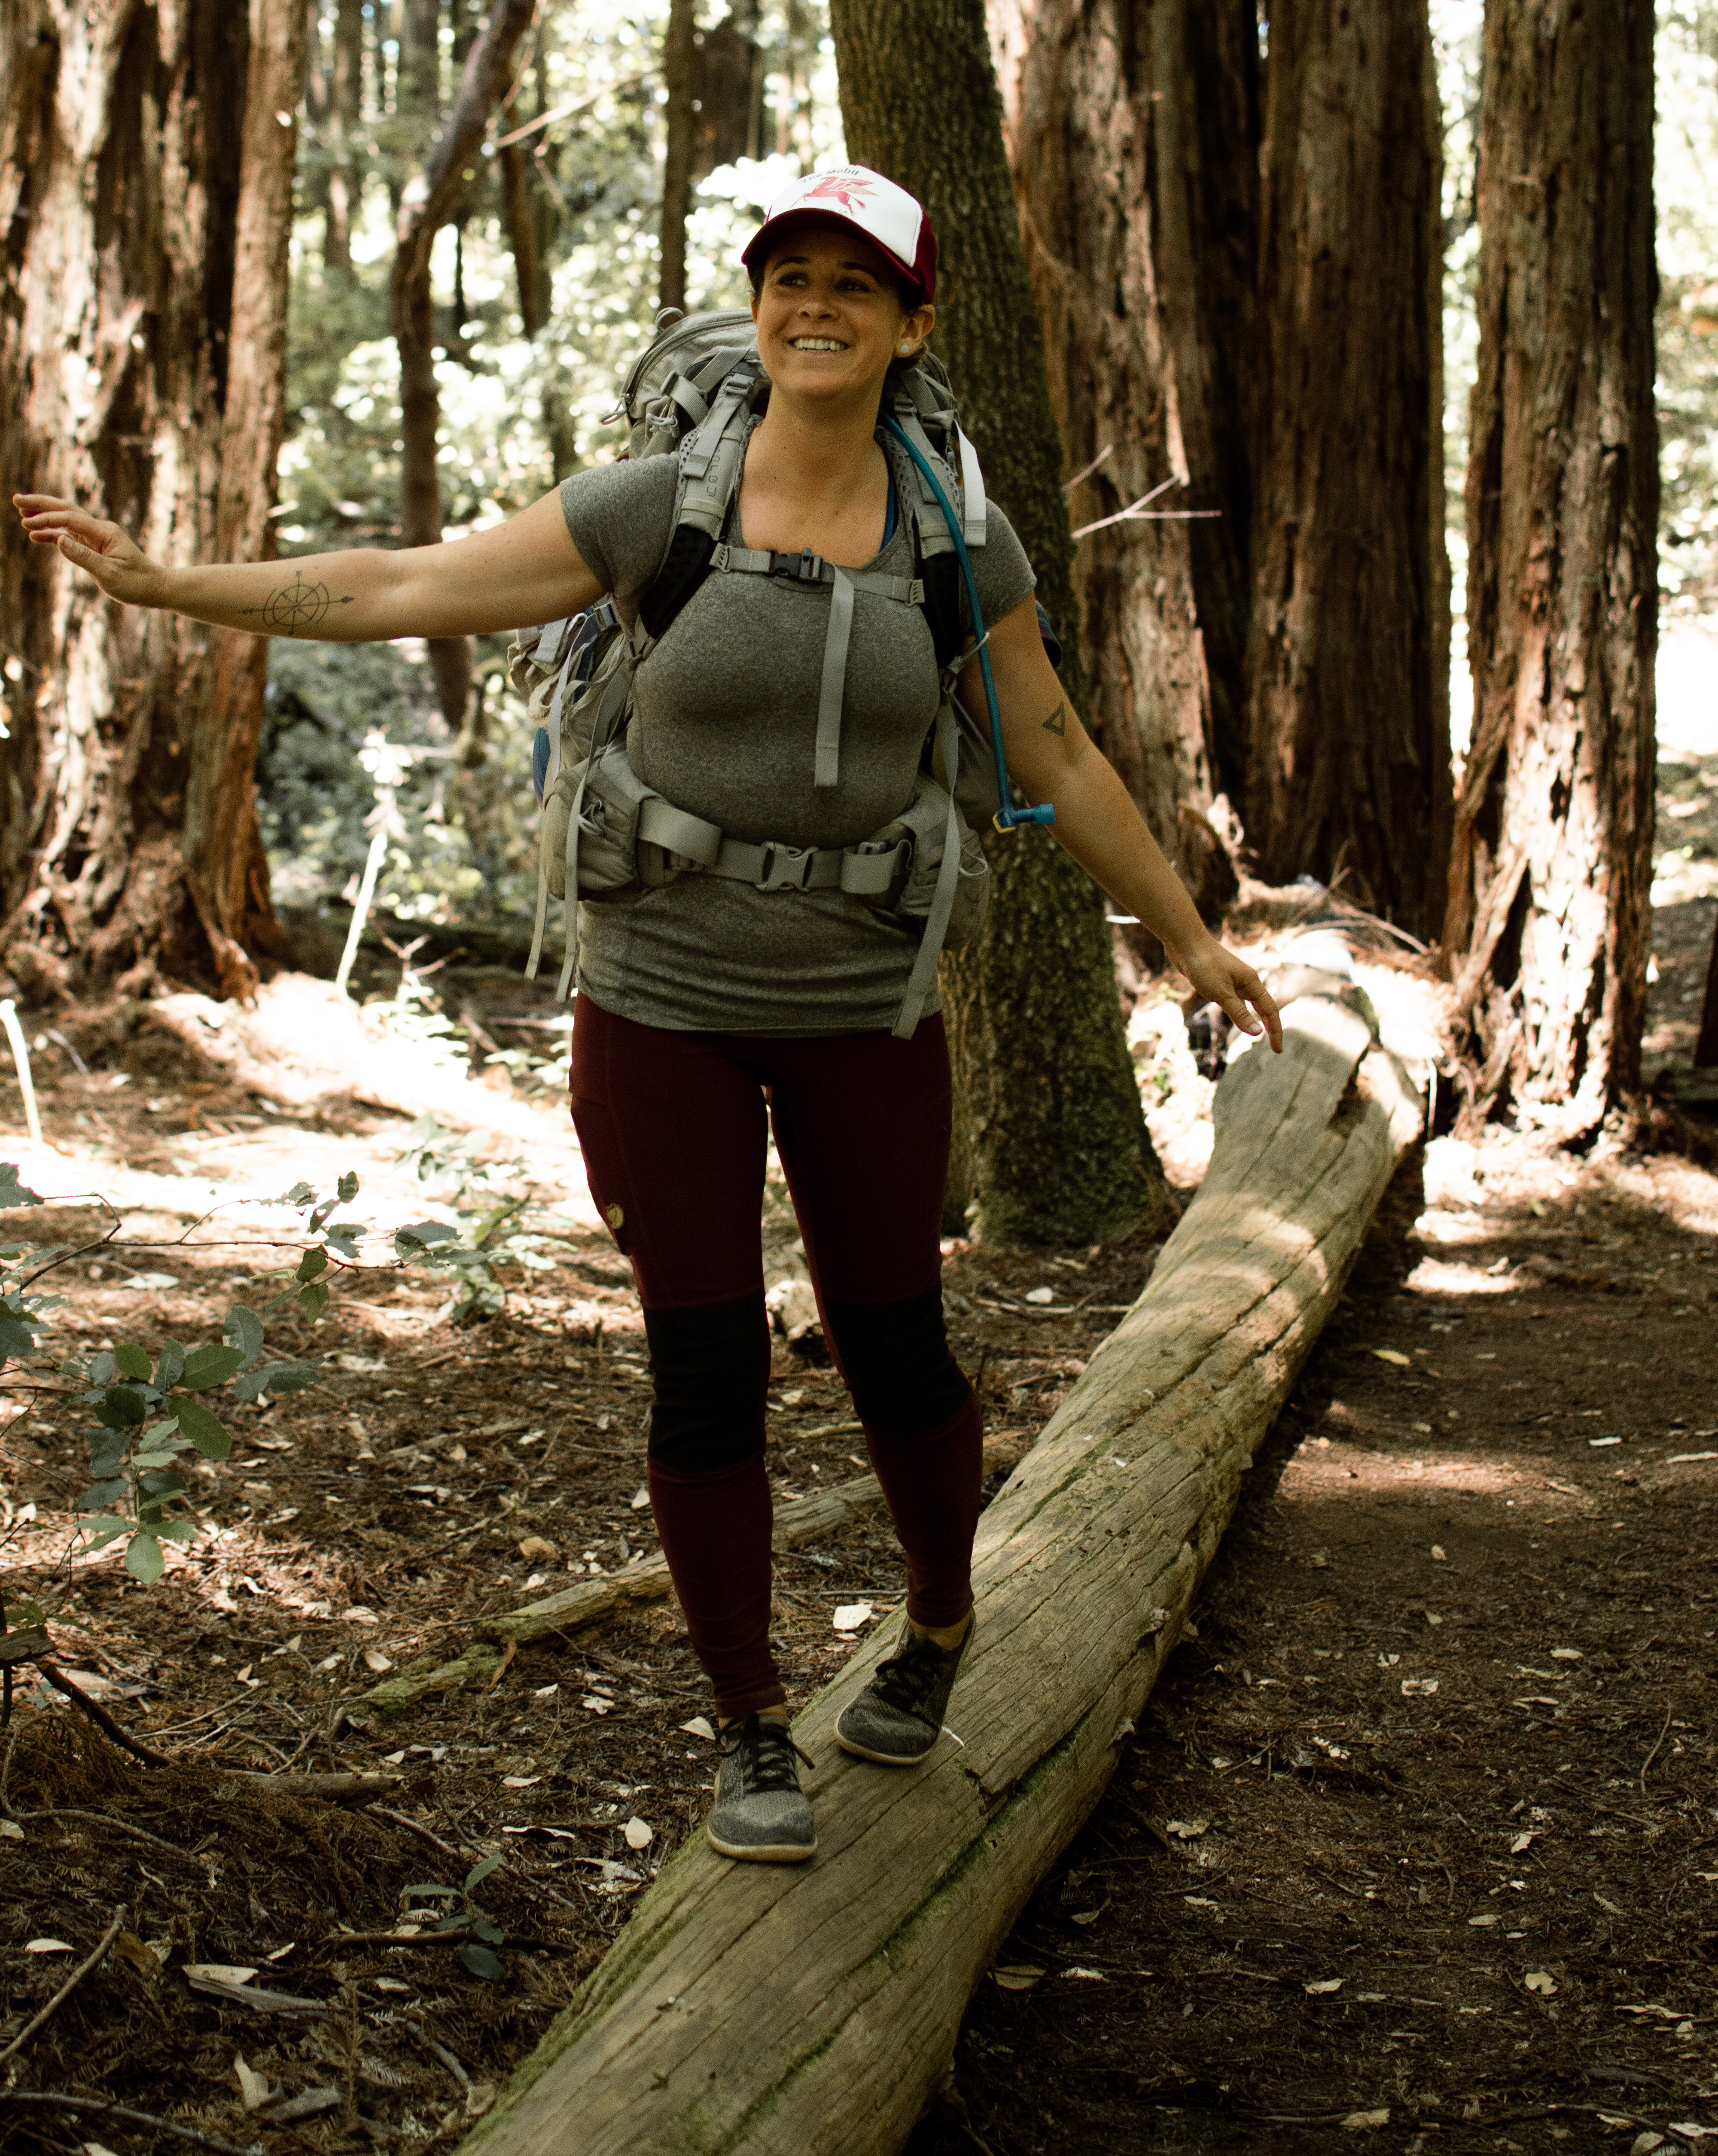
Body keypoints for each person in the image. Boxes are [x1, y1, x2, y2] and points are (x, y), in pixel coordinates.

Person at [15, 161, 1282, 1867]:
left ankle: (938, 1621)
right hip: (663, 1001)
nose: (814, 305)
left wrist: (1187, 935)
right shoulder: (656, 508)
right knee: (703, 1359)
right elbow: (408, 585)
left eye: (854, 283)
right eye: (789, 277)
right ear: (759, 307)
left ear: (912, 325)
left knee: (896, 1344)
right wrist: (172, 587)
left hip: (862, 1000)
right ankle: (751, 1723)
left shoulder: (951, 538)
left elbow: (1047, 745)